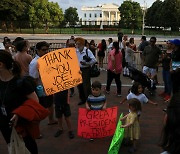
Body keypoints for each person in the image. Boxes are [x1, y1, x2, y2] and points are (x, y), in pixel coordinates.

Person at [0, 50, 39, 154]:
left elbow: (35, 102)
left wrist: (19, 113)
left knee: (27, 148)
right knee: (13, 148)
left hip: (22, 125)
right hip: (5, 125)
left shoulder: (21, 82)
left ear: (1, 64)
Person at [29, 41, 57, 125]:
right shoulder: (35, 63)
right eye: (43, 50)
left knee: (50, 104)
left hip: (48, 87)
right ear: (37, 50)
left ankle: (51, 120)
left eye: (47, 50)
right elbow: (33, 79)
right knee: (39, 109)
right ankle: (36, 129)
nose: (46, 52)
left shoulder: (46, 59)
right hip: (41, 90)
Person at [75, 37, 97, 105]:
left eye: (79, 44)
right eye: (77, 44)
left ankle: (89, 99)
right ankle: (82, 99)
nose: (77, 46)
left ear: (82, 44)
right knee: (79, 85)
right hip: (78, 70)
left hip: (85, 70)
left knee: (86, 85)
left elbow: (94, 60)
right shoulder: (76, 51)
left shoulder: (87, 51)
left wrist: (86, 63)